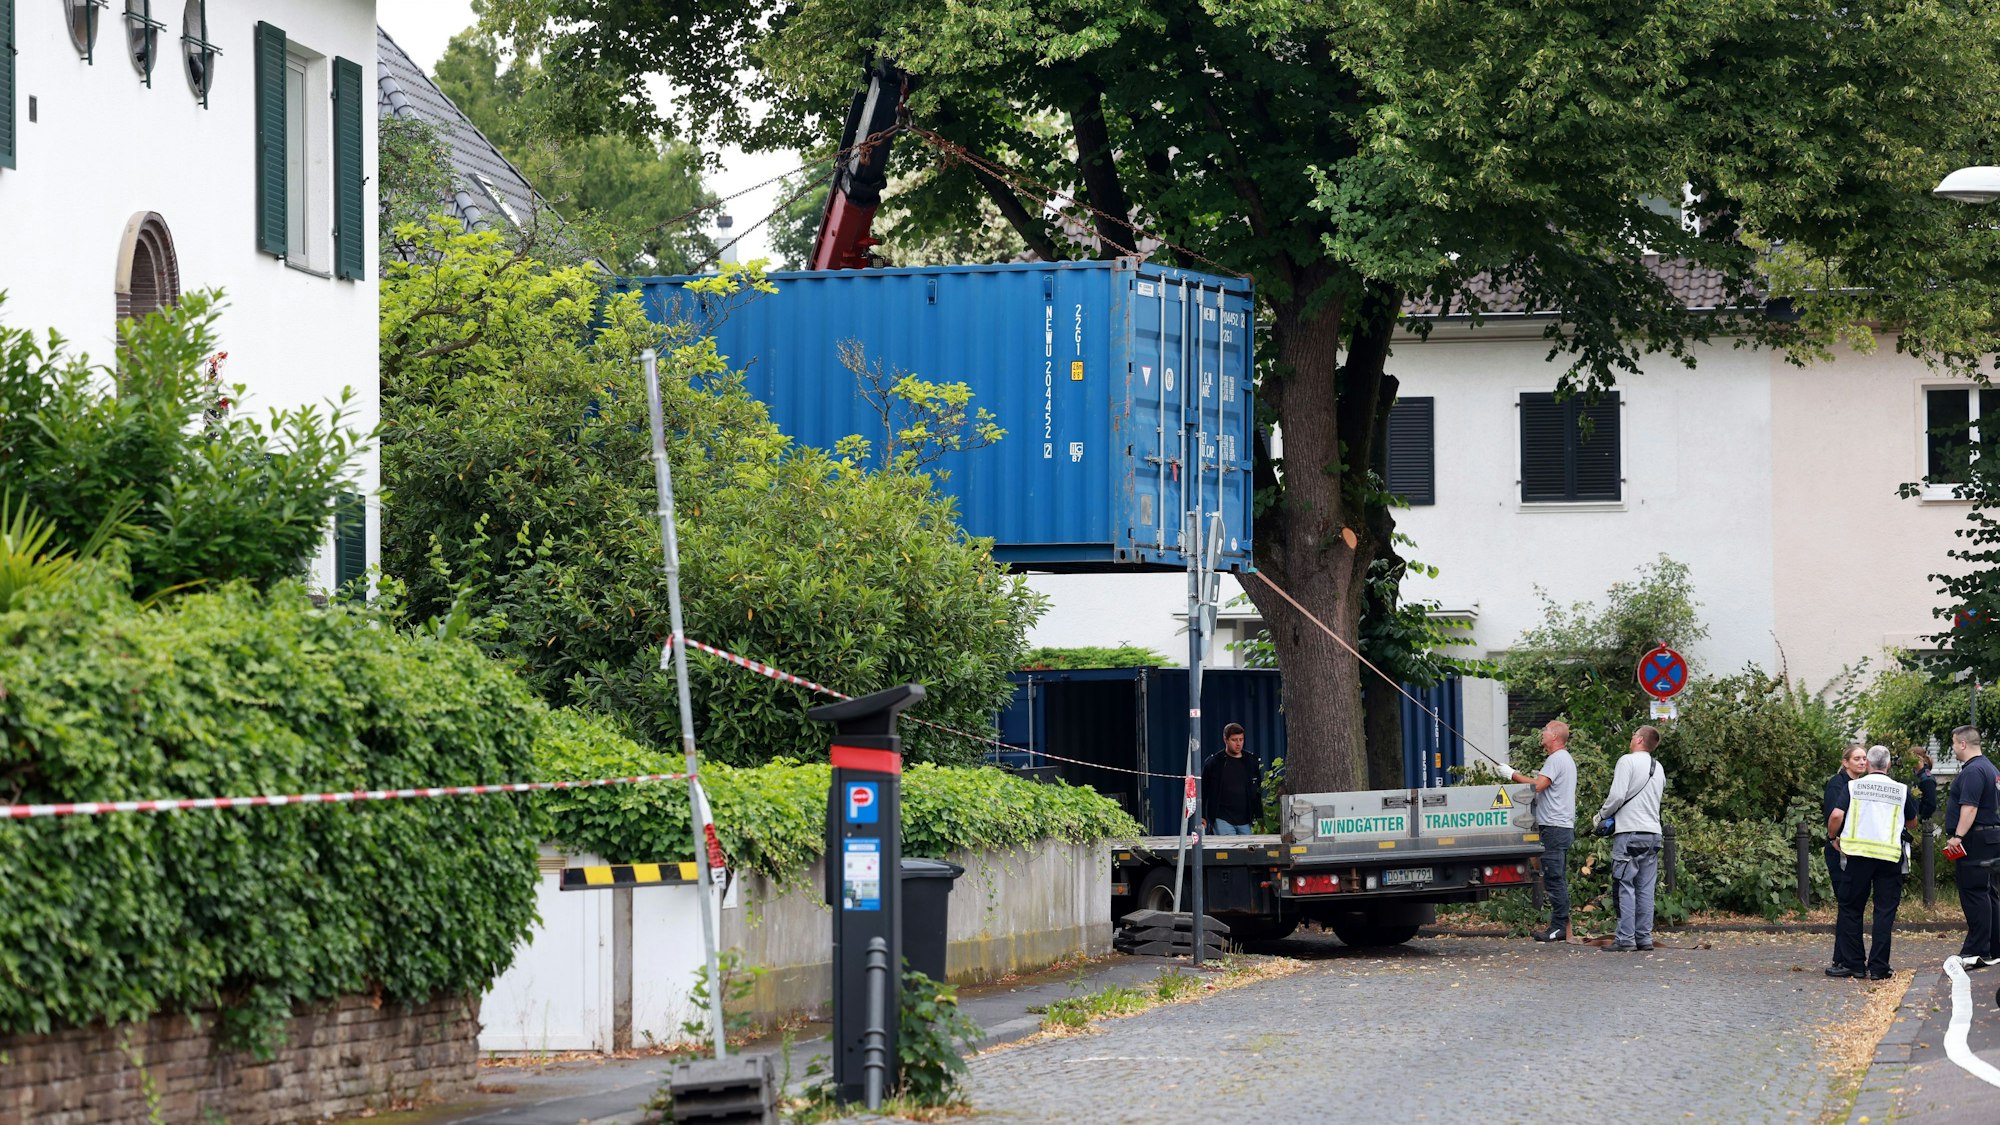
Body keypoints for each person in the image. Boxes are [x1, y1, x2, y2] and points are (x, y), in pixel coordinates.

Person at [1826, 745, 1919, 979]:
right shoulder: (1901, 789)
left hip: (1858, 856)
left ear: (1868, 764)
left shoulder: (1853, 786)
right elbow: (1912, 822)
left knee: (1851, 909)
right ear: (1888, 765)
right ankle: (1879, 967)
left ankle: (1854, 964)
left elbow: (1837, 815)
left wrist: (1832, 837)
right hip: (1889, 857)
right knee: (1884, 912)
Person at [1501, 720, 1576, 943]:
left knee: (1554, 879)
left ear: (1554, 736)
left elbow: (1538, 786)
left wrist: (1512, 775)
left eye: (1545, 731)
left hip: (1554, 827)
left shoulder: (1556, 759)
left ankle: (1558, 927)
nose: (1541, 734)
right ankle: (1560, 925)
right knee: (1555, 877)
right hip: (1560, 826)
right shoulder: (1564, 759)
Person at [1596, 725, 1667, 953]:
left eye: (1632, 735)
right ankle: (1644, 938)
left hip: (1629, 834)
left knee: (1625, 885)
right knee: (1646, 888)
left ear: (1638, 739)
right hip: (1653, 834)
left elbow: (1617, 795)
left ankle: (1626, 939)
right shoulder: (1658, 767)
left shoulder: (1627, 761)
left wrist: (1601, 816)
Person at [1946, 725, 2000, 967]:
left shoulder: (1973, 771)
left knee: (1974, 893)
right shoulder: (1990, 768)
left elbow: (1969, 807)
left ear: (1963, 744)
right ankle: (1994, 946)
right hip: (1991, 837)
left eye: (1954, 743)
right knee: (1990, 893)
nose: (1953, 748)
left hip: (1975, 839)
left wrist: (1958, 836)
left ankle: (1976, 950)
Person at [1821, 744, 1870, 969]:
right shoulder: (1837, 785)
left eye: (1864, 758)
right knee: (1847, 903)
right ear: (1845, 762)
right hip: (1839, 850)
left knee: (1851, 904)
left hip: (1856, 852)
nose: (1862, 762)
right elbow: (1835, 815)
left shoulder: (1861, 785)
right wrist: (1834, 839)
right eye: (1857, 758)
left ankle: (1844, 956)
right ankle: (1841, 957)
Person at [1201, 722, 1263, 836]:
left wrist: (1259, 816)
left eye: (1241, 739)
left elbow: (1257, 790)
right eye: (1234, 740)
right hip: (1222, 817)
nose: (1238, 743)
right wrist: (1202, 816)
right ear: (1225, 740)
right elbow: (1203, 791)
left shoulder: (1251, 761)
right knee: (1228, 851)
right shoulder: (1214, 763)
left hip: (1245, 819)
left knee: (1246, 851)